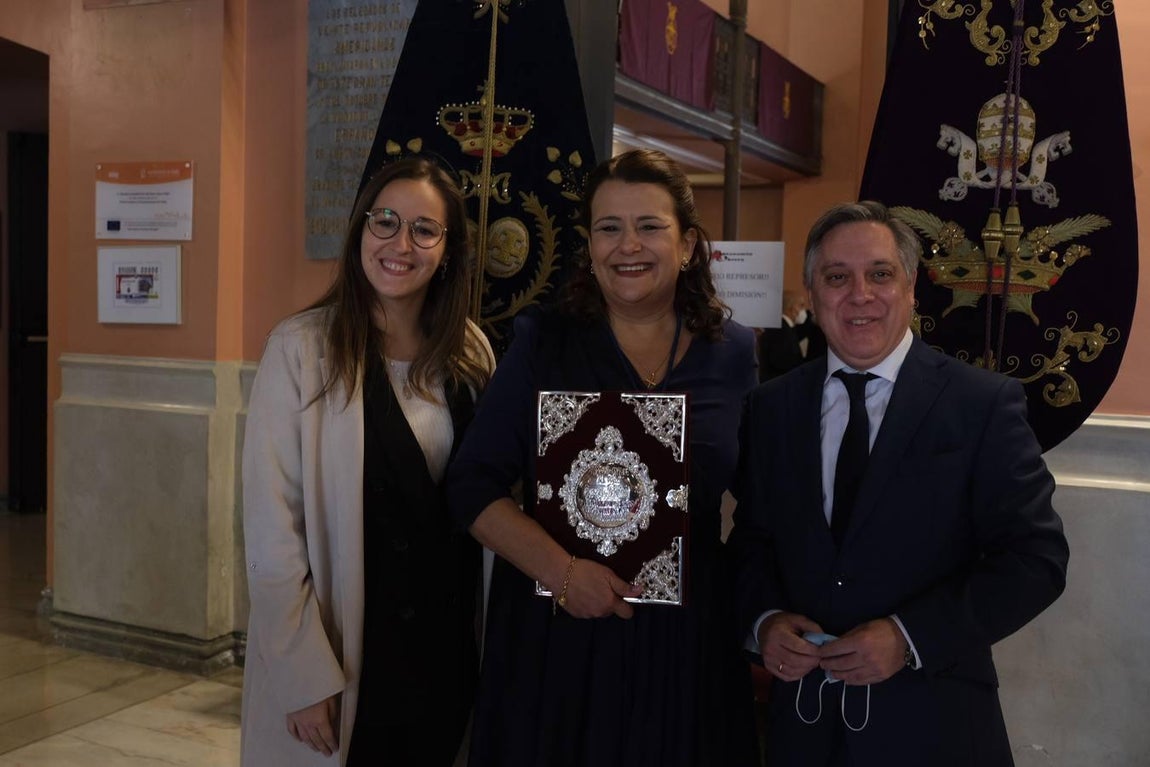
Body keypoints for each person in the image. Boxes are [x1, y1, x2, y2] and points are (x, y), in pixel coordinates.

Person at [446, 148, 760, 767]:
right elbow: (469, 485)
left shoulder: (734, 354)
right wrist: (563, 574)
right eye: (609, 228)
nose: (627, 245)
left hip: (685, 644)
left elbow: (763, 502)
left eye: (649, 226)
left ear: (690, 244)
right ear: (589, 246)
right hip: (557, 640)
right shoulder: (545, 343)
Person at [728, 201, 1069, 767]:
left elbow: (1036, 559)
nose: (860, 294)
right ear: (812, 293)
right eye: (837, 277)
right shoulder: (771, 407)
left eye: (880, 274)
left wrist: (909, 637)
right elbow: (752, 543)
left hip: (936, 727)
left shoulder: (981, 404)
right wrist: (764, 621)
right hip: (804, 733)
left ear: (911, 287)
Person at [240, 156, 494, 767]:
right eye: (384, 221)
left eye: (424, 229)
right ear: (360, 230)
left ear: (449, 250)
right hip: (349, 654)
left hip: (448, 650)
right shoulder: (301, 351)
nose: (399, 244)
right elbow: (274, 536)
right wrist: (302, 677)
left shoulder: (472, 351)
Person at [757, 288, 807, 382]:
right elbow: (782, 363)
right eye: (801, 306)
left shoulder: (787, 328)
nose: (803, 310)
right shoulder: (779, 331)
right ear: (790, 307)